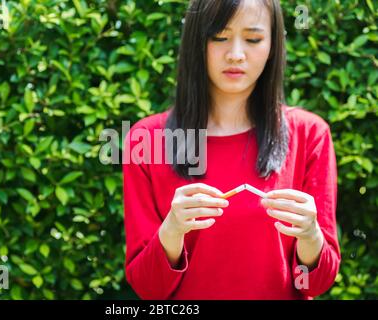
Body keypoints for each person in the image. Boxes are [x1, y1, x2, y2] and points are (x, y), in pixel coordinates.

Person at [122, 0, 340, 300]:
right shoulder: (146, 140)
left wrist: (310, 234)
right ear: (196, 42)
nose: (236, 55)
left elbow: (316, 284)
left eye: (253, 39)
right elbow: (149, 288)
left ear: (273, 45)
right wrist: (171, 230)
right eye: (219, 37)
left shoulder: (310, 134)